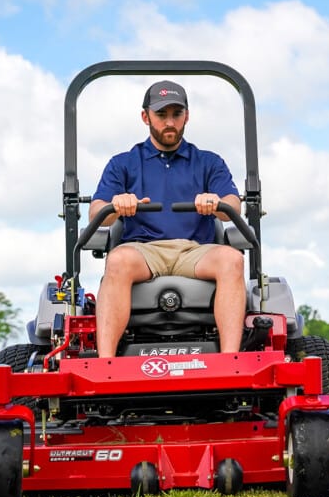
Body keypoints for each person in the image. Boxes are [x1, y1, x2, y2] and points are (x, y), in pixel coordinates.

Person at [89, 80, 246, 357]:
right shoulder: (123, 163)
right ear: (145, 116)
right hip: (142, 251)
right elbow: (97, 214)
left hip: (194, 250)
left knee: (232, 259)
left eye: (176, 114)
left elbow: (233, 205)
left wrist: (216, 202)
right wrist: (116, 204)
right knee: (117, 260)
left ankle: (230, 359)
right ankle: (106, 363)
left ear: (187, 116)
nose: (169, 122)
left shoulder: (209, 162)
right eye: (161, 115)